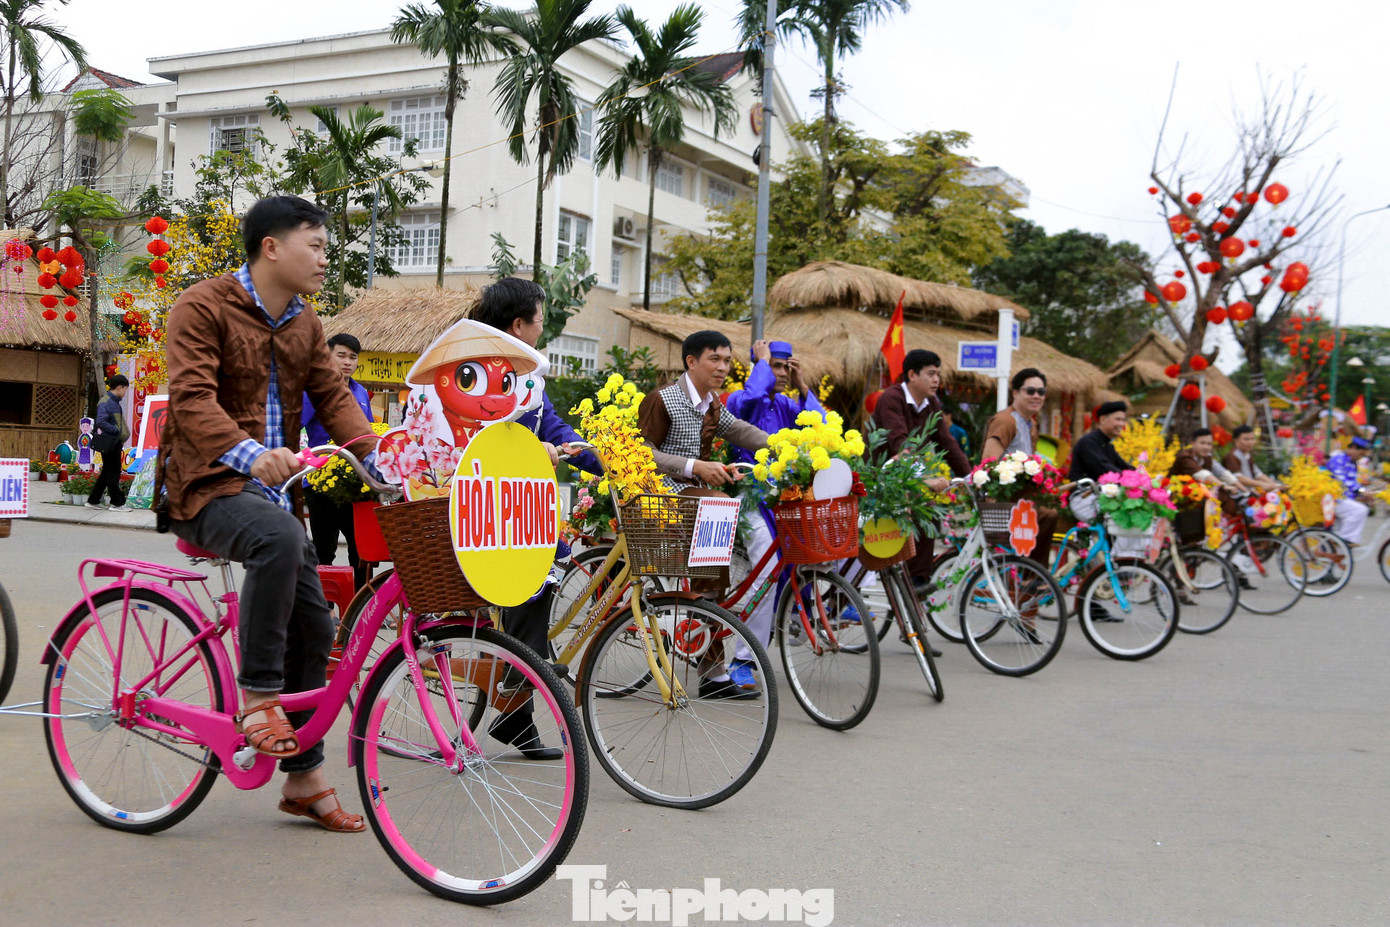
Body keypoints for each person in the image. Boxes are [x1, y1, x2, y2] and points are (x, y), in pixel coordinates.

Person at [159, 195, 377, 833]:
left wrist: (382, 457)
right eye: (314, 244)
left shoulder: (306, 323)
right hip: (205, 487)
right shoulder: (203, 305)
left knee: (315, 627)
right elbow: (191, 396)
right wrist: (250, 455)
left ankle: (303, 778)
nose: (323, 257)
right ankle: (258, 700)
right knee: (281, 540)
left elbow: (334, 399)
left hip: (274, 498)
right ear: (271, 247)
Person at [471, 276, 601, 758]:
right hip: (485, 503)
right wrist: (533, 446)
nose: (542, 331)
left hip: (522, 502)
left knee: (545, 583)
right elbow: (487, 428)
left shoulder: (529, 372)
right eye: (540, 322)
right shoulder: (478, 368)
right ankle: (517, 704)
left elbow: (550, 424)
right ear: (518, 324)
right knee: (532, 595)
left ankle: (516, 698)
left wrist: (600, 455)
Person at [637, 330, 769, 698]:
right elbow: (642, 454)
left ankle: (709, 631)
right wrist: (695, 465)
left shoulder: (711, 403)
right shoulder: (662, 400)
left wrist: (785, 444)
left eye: (727, 360)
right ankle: (712, 670)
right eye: (715, 359)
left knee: (712, 570)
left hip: (697, 495)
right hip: (661, 492)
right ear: (691, 361)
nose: (723, 367)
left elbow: (739, 430)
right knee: (713, 535)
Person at [723, 339, 823, 688]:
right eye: (775, 367)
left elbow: (819, 429)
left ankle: (800, 610)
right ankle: (742, 659)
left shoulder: (786, 403)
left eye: (786, 367)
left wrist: (803, 386)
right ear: (761, 368)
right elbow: (750, 399)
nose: (781, 374)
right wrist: (761, 363)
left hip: (782, 497)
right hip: (745, 495)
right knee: (767, 566)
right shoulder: (738, 398)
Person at [870, 349, 970, 593]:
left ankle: (918, 582)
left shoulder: (931, 403)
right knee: (920, 511)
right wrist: (924, 478)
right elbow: (899, 443)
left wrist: (970, 477)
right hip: (881, 475)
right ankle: (910, 580)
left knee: (929, 512)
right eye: (931, 374)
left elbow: (948, 442)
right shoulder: (891, 398)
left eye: (938, 374)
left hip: (908, 476)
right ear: (912, 375)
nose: (936, 380)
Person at [302, 333, 374, 589]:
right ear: (328, 356)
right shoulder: (314, 392)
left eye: (352, 357)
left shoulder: (361, 392)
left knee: (362, 549)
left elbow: (369, 433)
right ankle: (325, 607)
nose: (347, 362)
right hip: (320, 481)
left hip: (355, 483)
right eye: (340, 355)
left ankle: (362, 606)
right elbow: (294, 425)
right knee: (325, 549)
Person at [979, 367, 1056, 567]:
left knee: (1056, 511)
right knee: (1048, 515)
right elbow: (988, 464)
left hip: (1022, 498)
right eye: (1030, 391)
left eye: (1041, 392)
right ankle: (1032, 578)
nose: (1036, 396)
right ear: (1015, 393)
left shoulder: (1030, 423)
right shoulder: (1006, 420)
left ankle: (1031, 575)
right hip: (1002, 502)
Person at [87, 374, 131, 511]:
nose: (125, 392)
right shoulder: (106, 401)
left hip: (113, 441)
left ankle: (93, 500)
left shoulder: (112, 401)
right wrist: (117, 431)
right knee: (113, 472)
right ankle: (117, 503)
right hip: (110, 442)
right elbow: (101, 422)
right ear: (119, 387)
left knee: (107, 472)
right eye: (125, 389)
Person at [1068, 401, 1135, 483]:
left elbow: (1124, 467)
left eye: (1123, 420)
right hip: (1084, 493)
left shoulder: (1108, 445)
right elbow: (1104, 469)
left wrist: (1140, 475)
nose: (1121, 424)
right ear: (1103, 420)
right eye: (1118, 419)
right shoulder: (1088, 442)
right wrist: (1129, 479)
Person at [1326, 437, 1372, 545]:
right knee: (1360, 510)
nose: (1360, 458)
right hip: (1333, 499)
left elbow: (1353, 483)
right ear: (1353, 448)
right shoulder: (1338, 459)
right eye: (1360, 454)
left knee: (1353, 516)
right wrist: (1361, 490)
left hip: (1343, 500)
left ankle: (1341, 546)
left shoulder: (1352, 463)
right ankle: (1345, 541)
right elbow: (1342, 480)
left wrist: (1362, 495)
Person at [1221, 425, 1283, 493]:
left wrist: (1273, 485)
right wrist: (1263, 484)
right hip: (1238, 495)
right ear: (1236, 440)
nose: (1250, 442)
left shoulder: (1247, 455)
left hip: (1250, 493)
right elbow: (1239, 478)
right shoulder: (1232, 456)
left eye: (1252, 439)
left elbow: (1258, 474)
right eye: (1246, 439)